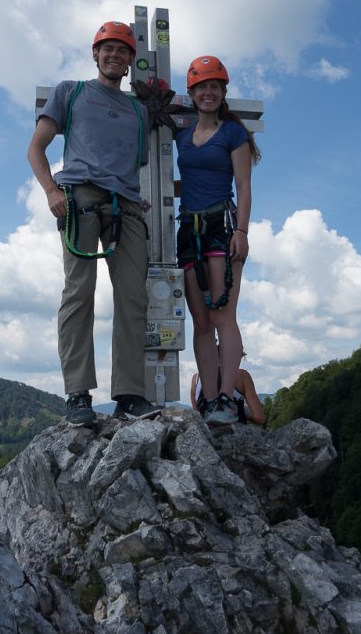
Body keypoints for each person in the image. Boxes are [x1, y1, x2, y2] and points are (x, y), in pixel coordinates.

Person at [27, 21, 157, 426]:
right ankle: (78, 395)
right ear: (95, 54)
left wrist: (136, 198)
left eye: (123, 51)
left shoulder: (139, 111)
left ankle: (130, 394)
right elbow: (36, 148)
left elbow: (129, 164)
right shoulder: (72, 91)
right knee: (79, 291)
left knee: (134, 296)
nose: (115, 56)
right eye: (108, 49)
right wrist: (51, 191)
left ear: (131, 61)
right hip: (78, 197)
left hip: (126, 207)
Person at [176, 56, 260, 425]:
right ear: (191, 94)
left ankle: (227, 397)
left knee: (223, 316)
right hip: (189, 230)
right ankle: (209, 399)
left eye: (214, 86)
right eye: (201, 87)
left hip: (221, 227)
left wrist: (241, 231)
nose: (208, 93)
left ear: (223, 92)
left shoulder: (232, 133)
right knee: (201, 321)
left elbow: (244, 186)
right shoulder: (182, 135)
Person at [190, 362, 266, 426]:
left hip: (207, 435)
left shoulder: (196, 379)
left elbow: (197, 415)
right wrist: (243, 410)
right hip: (234, 433)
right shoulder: (241, 375)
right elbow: (259, 418)